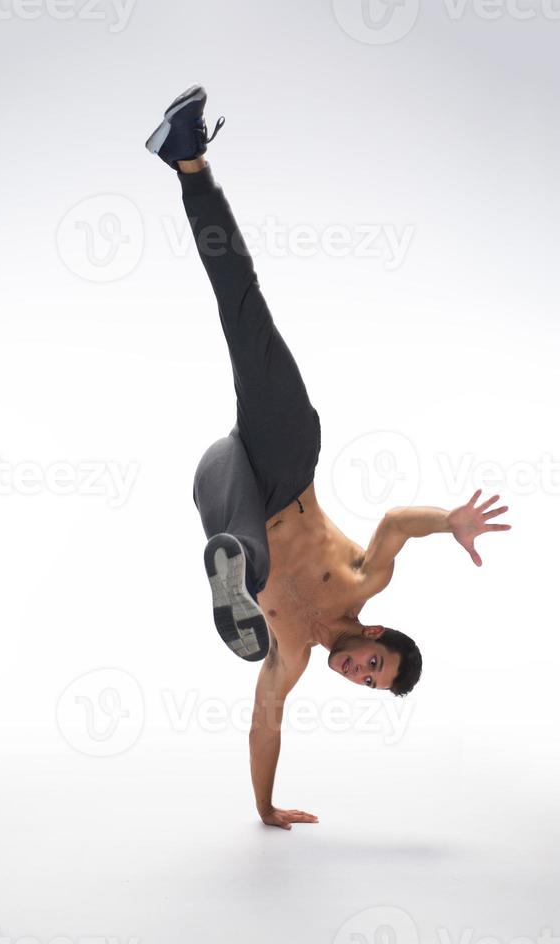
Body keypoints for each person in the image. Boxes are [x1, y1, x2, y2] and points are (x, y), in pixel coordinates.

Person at [145, 86, 512, 829]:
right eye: (373, 667)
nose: (356, 674)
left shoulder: (289, 655)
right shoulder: (362, 578)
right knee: (243, 310)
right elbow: (397, 522)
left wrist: (264, 805)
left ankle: (234, 569)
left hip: (225, 485)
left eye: (366, 685)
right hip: (284, 460)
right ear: (374, 637)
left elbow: (264, 721)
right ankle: (188, 161)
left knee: (238, 546)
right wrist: (452, 521)